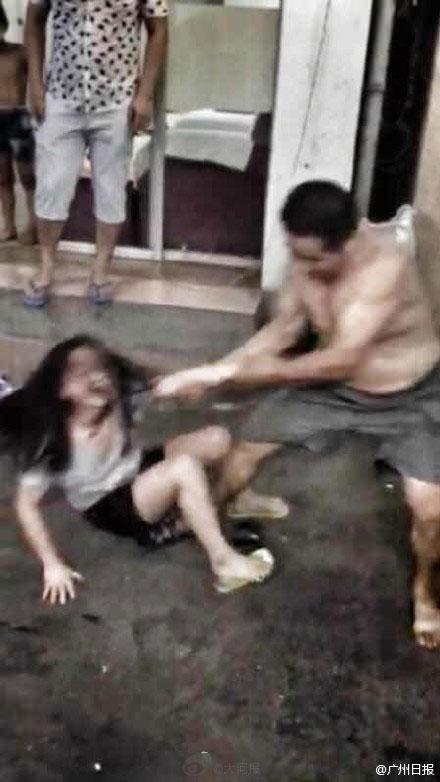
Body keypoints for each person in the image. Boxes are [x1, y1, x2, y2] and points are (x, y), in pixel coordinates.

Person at [153, 180, 440, 650]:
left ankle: (426, 592)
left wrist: (252, 376)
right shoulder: (306, 257)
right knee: (250, 440)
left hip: (411, 397)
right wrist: (214, 372)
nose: (300, 268)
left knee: (429, 512)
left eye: (312, 260)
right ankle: (215, 507)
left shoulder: (384, 270)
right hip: (337, 391)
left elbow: (340, 359)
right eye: (294, 253)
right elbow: (285, 329)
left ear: (348, 242)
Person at [0, 334, 290, 604]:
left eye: (98, 367)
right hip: (109, 505)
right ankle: (223, 562)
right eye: (79, 373)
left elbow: (175, 387)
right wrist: (52, 565)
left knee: (217, 438)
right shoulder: (52, 440)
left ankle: (233, 498)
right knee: (184, 468)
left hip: (135, 469)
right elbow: (26, 505)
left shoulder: (122, 399)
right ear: (61, 390)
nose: (96, 376)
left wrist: (198, 380)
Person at [24, 0, 168, 307]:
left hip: (117, 102)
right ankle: (46, 264)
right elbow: (34, 20)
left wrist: (145, 95)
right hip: (61, 98)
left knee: (111, 190)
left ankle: (101, 270)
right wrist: (35, 86)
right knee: (51, 185)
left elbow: (158, 29)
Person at [0, 4, 36, 244]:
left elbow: (38, 79)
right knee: (2, 177)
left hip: (18, 118)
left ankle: (34, 225)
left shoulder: (20, 52)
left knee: (27, 175)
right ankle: (9, 227)